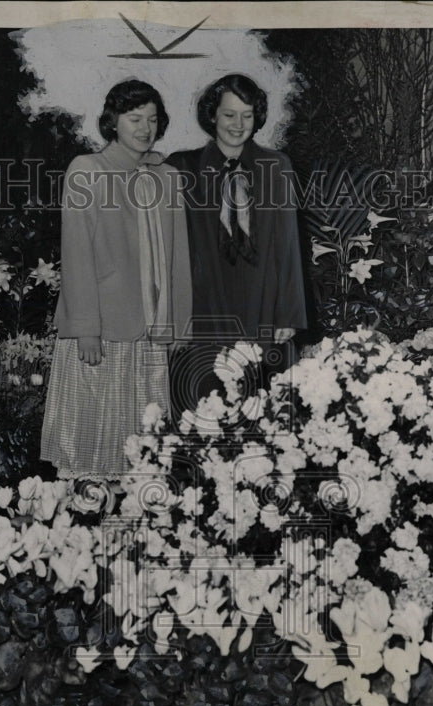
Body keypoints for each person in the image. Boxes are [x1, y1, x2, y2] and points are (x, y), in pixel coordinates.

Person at [40, 80, 191, 483]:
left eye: (152, 119)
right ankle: (85, 515)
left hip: (150, 329)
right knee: (93, 438)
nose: (145, 128)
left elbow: (179, 257)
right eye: (134, 118)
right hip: (101, 329)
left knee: (145, 443)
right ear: (113, 122)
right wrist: (86, 328)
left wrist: (178, 322)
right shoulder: (86, 171)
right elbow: (76, 255)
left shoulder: (168, 177)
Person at [166, 73, 306, 417]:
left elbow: (289, 245)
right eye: (229, 114)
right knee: (203, 398)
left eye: (247, 115)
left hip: (260, 296)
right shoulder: (181, 168)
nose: (238, 124)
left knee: (258, 402)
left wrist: (288, 313)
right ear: (212, 115)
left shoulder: (277, 166)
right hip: (205, 300)